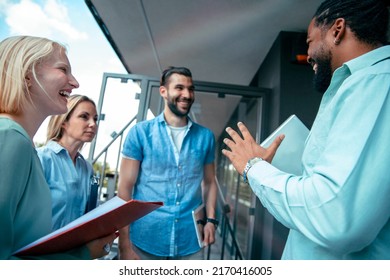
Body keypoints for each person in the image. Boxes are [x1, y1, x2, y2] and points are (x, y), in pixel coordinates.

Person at [222, 0, 390, 260]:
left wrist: (253, 168)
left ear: (337, 30)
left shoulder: (376, 82)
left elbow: (335, 216)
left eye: (310, 41)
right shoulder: (358, 85)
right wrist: (271, 168)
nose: (308, 52)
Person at [0, 35, 116, 260]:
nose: (75, 82)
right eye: (63, 69)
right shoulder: (10, 139)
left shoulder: (23, 144)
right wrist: (81, 255)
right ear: (28, 74)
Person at [118, 66, 218, 260]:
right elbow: (124, 188)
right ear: (163, 91)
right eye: (179, 88)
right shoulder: (140, 133)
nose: (187, 94)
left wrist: (211, 220)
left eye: (191, 89)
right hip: (145, 238)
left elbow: (210, 182)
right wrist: (123, 243)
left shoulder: (206, 137)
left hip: (190, 240)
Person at [37, 94, 99, 231]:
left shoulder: (87, 168)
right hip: (38, 249)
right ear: (63, 121)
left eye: (95, 119)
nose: (93, 124)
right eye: (84, 116)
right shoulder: (41, 159)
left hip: (73, 249)